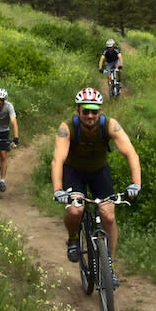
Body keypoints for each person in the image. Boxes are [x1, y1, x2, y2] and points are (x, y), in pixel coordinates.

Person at [51, 87, 141, 288]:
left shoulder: (109, 125)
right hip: (74, 172)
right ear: (78, 111)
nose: (90, 116)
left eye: (94, 111)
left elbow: (131, 154)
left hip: (99, 172)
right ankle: (74, 237)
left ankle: (108, 265)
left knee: (108, 215)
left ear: (100, 111)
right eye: (85, 111)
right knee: (75, 211)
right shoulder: (68, 128)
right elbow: (58, 160)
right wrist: (58, 189)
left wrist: (136, 183)